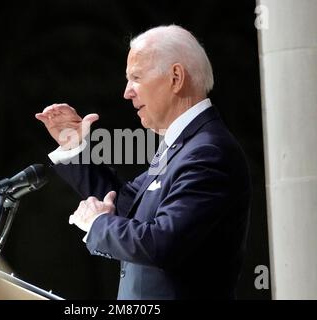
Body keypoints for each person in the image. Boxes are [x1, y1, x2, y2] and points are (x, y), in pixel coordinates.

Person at [35, 25, 251, 299]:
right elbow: (126, 203)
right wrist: (73, 147)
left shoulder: (208, 151)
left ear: (175, 77)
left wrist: (98, 223)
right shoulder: (188, 144)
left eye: (135, 77)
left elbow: (162, 242)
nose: (127, 92)